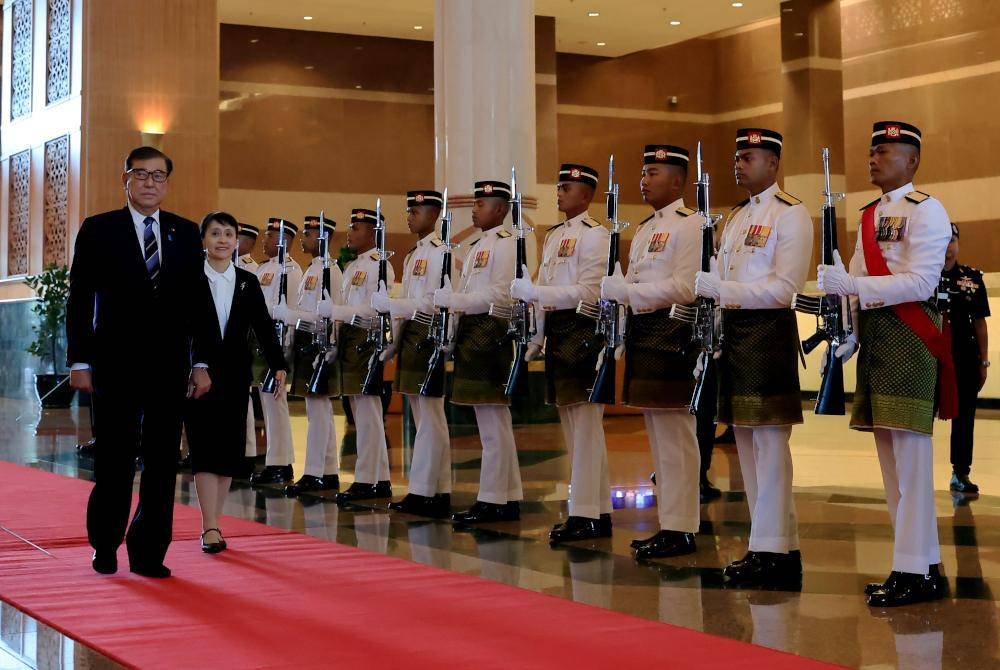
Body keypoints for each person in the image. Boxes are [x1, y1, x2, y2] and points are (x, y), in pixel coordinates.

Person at [818, 121, 953, 607]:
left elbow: (920, 283)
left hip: (911, 339)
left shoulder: (929, 210)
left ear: (912, 160)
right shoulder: (870, 213)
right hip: (876, 340)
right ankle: (921, 563)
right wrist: (847, 330)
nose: (874, 157)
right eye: (873, 150)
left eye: (885, 150)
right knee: (891, 464)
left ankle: (913, 570)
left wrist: (855, 287)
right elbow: (854, 275)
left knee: (912, 465)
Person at [66, 146, 215, 578]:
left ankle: (150, 551)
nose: (150, 183)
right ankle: (106, 543)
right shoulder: (99, 229)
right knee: (114, 458)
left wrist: (201, 360)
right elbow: (81, 299)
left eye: (159, 176)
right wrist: (79, 360)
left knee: (162, 460)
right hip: (114, 362)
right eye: (141, 175)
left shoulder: (185, 232)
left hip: (169, 365)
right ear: (125, 180)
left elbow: (197, 301)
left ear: (167, 182)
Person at [695, 128, 812, 587]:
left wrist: (723, 291)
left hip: (767, 336)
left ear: (773, 164)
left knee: (769, 448)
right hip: (735, 337)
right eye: (737, 156)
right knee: (747, 446)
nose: (739, 163)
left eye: (749, 156)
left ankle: (770, 549)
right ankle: (778, 546)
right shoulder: (735, 217)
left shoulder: (792, 214)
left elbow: (786, 290)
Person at [602, 145, 702, 558]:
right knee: (659, 440)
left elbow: (686, 286)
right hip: (646, 334)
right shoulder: (644, 228)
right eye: (643, 172)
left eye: (654, 172)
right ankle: (669, 523)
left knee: (677, 437)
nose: (644, 179)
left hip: (673, 333)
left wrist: (631, 293)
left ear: (678, 181)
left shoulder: (691, 225)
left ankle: (683, 526)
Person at [510, 163, 613, 543]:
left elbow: (590, 290)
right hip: (558, 333)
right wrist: (536, 335)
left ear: (586, 195)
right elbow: (544, 284)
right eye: (559, 186)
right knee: (575, 429)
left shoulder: (595, 236)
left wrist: (538, 295)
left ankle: (586, 513)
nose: (559, 192)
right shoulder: (554, 236)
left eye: (566, 187)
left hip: (583, 332)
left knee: (586, 430)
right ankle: (594, 510)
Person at [185, 212, 287, 552]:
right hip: (198, 376)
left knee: (228, 449)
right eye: (215, 233)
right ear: (204, 239)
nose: (223, 240)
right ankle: (208, 525)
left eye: (229, 234)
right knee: (204, 446)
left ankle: (216, 521)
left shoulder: (247, 280)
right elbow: (178, 329)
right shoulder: (188, 277)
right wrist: (193, 364)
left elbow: (263, 324)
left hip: (234, 375)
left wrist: (278, 365)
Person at [434, 180, 521, 523]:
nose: (474, 209)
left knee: (493, 422)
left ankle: (493, 500)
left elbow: (502, 293)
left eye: (482, 205)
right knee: (490, 422)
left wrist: (459, 301)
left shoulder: (508, 243)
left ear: (500, 209)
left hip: (492, 332)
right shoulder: (476, 246)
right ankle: (506, 495)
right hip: (473, 332)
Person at [378, 190, 454, 518]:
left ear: (434, 214)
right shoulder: (413, 255)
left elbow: (436, 300)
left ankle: (425, 490)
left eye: (417, 211)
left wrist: (396, 305)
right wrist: (394, 340)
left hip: (428, 334)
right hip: (410, 333)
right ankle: (437, 489)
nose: (409, 216)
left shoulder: (440, 252)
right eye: (409, 211)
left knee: (431, 416)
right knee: (422, 415)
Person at [328, 208, 396, 503]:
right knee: (360, 413)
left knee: (369, 415)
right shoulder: (354, 265)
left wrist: (338, 312)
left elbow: (376, 310)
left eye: (356, 228)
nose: (349, 233)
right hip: (350, 340)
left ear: (372, 233)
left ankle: (368, 478)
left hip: (367, 340)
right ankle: (377, 478)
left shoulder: (380, 265)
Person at [277, 215, 345, 496]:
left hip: (319, 342)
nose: (303, 238)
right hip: (306, 340)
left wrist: (291, 316)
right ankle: (325, 471)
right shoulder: (312, 270)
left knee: (319, 411)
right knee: (316, 411)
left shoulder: (331, 270)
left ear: (323, 237)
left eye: (308, 233)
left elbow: (327, 316)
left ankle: (316, 471)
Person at [250, 219, 303, 487]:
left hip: (277, 344)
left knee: (276, 402)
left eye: (270, 235)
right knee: (266, 402)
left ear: (285, 240)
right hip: (259, 343)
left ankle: (281, 462)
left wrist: (286, 352)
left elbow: (290, 313)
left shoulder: (292, 271)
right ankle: (273, 459)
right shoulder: (264, 269)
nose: (264, 240)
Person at [940, 224, 990, 493]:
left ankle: (960, 473)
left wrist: (983, 362)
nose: (948, 245)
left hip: (964, 358)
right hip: (932, 357)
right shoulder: (923, 276)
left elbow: (980, 323)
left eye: (953, 240)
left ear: (958, 244)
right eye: (943, 240)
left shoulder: (972, 279)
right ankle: (916, 471)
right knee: (922, 416)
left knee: (964, 417)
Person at [236, 222, 261, 462]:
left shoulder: (253, 270)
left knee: (243, 397)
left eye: (239, 238)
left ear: (249, 243)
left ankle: (247, 452)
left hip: (244, 340)